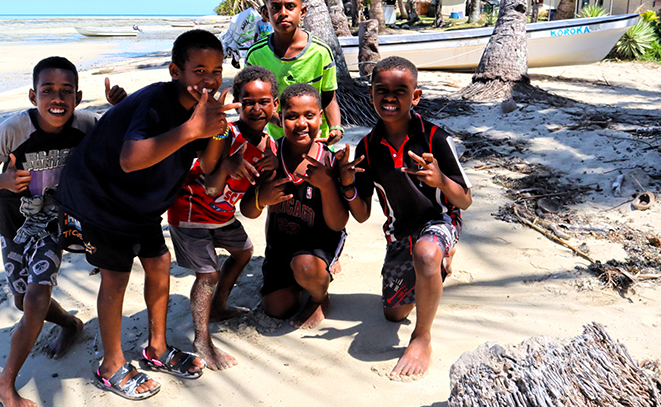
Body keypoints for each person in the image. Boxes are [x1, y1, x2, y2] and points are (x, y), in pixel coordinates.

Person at [55, 29, 238, 401]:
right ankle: (111, 364)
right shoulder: (157, 100)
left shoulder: (202, 112)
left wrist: (215, 131)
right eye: (199, 70)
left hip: (140, 204)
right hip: (98, 199)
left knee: (159, 264)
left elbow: (205, 163)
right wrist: (191, 129)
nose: (209, 80)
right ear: (175, 71)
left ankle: (156, 348)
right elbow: (130, 158)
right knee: (116, 277)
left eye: (216, 71)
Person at [0, 56, 102, 407]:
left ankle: (5, 385)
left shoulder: (89, 124)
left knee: (35, 297)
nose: (57, 99)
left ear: (77, 96)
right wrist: (2, 180)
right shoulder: (12, 131)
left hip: (52, 222)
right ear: (33, 96)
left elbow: (123, 135)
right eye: (48, 91)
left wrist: (121, 104)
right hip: (13, 221)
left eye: (65, 91)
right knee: (22, 300)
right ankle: (70, 324)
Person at [341, 56, 472, 380]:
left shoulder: (435, 139)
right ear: (370, 94)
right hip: (400, 231)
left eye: (400, 90)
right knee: (393, 313)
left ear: (416, 96)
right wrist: (346, 185)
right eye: (381, 90)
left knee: (426, 254)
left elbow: (465, 201)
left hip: (440, 220)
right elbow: (361, 214)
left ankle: (422, 337)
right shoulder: (368, 147)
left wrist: (441, 180)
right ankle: (436, 264)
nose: (389, 97)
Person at [167, 65, 279, 370]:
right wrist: (229, 165)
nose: (256, 108)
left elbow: (250, 207)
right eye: (248, 102)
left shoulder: (269, 146)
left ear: (275, 105)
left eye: (264, 101)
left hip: (221, 214)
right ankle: (201, 340)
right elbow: (212, 185)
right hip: (191, 211)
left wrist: (269, 175)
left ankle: (218, 306)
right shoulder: (224, 133)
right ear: (238, 104)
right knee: (208, 274)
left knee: (243, 252)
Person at [240, 83, 348, 329]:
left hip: (318, 243)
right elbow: (248, 210)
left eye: (309, 115)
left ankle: (320, 296)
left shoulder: (329, 161)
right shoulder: (270, 155)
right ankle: (303, 278)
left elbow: (338, 223)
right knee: (276, 308)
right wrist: (262, 198)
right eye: (292, 116)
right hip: (281, 245)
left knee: (306, 266)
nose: (301, 123)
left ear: (321, 117)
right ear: (280, 117)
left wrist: (328, 185)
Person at [245, 0, 344, 146]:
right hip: (278, 143)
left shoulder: (320, 52)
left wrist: (336, 128)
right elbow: (254, 102)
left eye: (290, 6)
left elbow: (329, 98)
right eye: (275, 7)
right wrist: (280, 121)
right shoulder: (256, 56)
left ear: (302, 11)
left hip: (317, 140)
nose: (283, 12)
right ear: (265, 13)